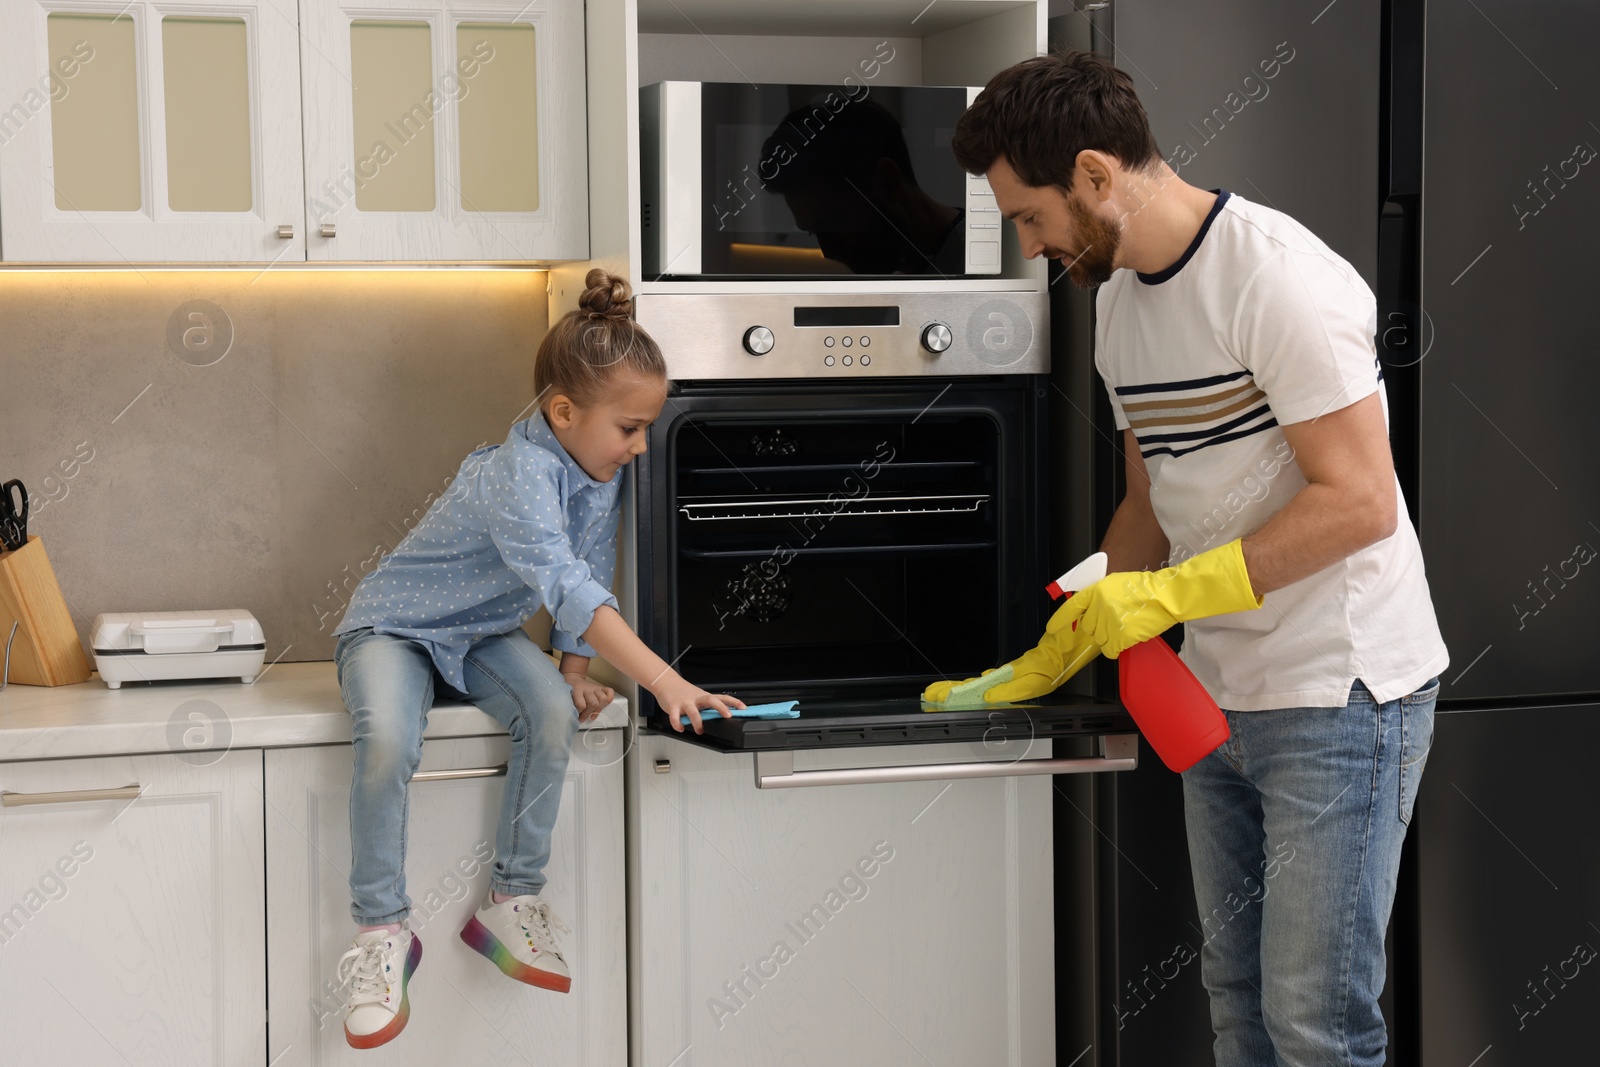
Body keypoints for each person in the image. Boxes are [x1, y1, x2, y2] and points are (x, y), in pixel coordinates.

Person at [930, 51, 1449, 1065]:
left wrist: (1170, 594)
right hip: (1216, 701)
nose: (1031, 246)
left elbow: (1360, 503)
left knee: (1315, 1021)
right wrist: (1068, 634)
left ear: (1091, 173)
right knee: (1236, 1001)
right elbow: (1149, 502)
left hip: (1338, 691)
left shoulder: (1277, 277)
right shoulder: (1117, 305)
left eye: (1030, 217)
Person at [329, 268, 744, 1049]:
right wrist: (663, 678)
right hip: (395, 627)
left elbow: (585, 566)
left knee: (552, 713)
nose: (640, 444)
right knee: (388, 738)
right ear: (563, 411)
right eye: (628, 427)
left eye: (645, 427)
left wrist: (575, 671)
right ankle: (381, 931)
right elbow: (568, 584)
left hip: (483, 633)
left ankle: (510, 900)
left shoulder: (593, 473)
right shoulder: (516, 474)